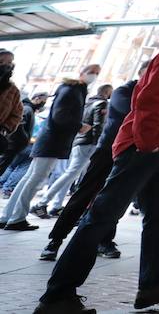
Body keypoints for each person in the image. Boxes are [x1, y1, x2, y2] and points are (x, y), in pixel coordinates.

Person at [36, 2, 159, 314]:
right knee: (102, 217)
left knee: (158, 217)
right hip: (148, 151)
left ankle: (155, 283)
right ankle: (57, 296)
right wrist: (150, 143)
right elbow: (150, 101)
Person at [40, 63, 149, 262]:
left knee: (117, 200)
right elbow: (134, 116)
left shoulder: (153, 94)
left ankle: (105, 241)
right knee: (84, 194)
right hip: (107, 151)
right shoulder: (124, 91)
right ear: (142, 72)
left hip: (132, 154)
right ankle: (55, 240)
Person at [2, 64, 98, 230]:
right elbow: (60, 117)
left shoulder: (72, 90)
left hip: (51, 141)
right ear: (82, 72)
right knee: (35, 179)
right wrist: (79, 126)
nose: (94, 76)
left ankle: (8, 216)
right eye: (92, 72)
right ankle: (16, 217)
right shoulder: (71, 91)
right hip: (53, 141)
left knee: (30, 178)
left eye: (97, 73)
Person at [41, 84, 112, 219]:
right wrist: (98, 144)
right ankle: (43, 201)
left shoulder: (88, 102)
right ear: (107, 92)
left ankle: (56, 205)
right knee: (71, 174)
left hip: (79, 141)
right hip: (89, 143)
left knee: (72, 174)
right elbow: (98, 125)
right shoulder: (101, 104)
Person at [3, 90, 46, 189]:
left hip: (18, 144)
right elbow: (19, 127)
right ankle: (6, 187)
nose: (43, 103)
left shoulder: (28, 109)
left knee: (10, 166)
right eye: (43, 100)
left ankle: (5, 186)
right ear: (37, 98)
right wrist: (26, 138)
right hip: (16, 144)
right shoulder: (27, 109)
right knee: (16, 166)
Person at [1, 50, 26, 176]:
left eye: (9, 63)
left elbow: (17, 114)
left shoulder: (12, 90)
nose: (6, 65)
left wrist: (4, 129)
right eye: (1, 62)